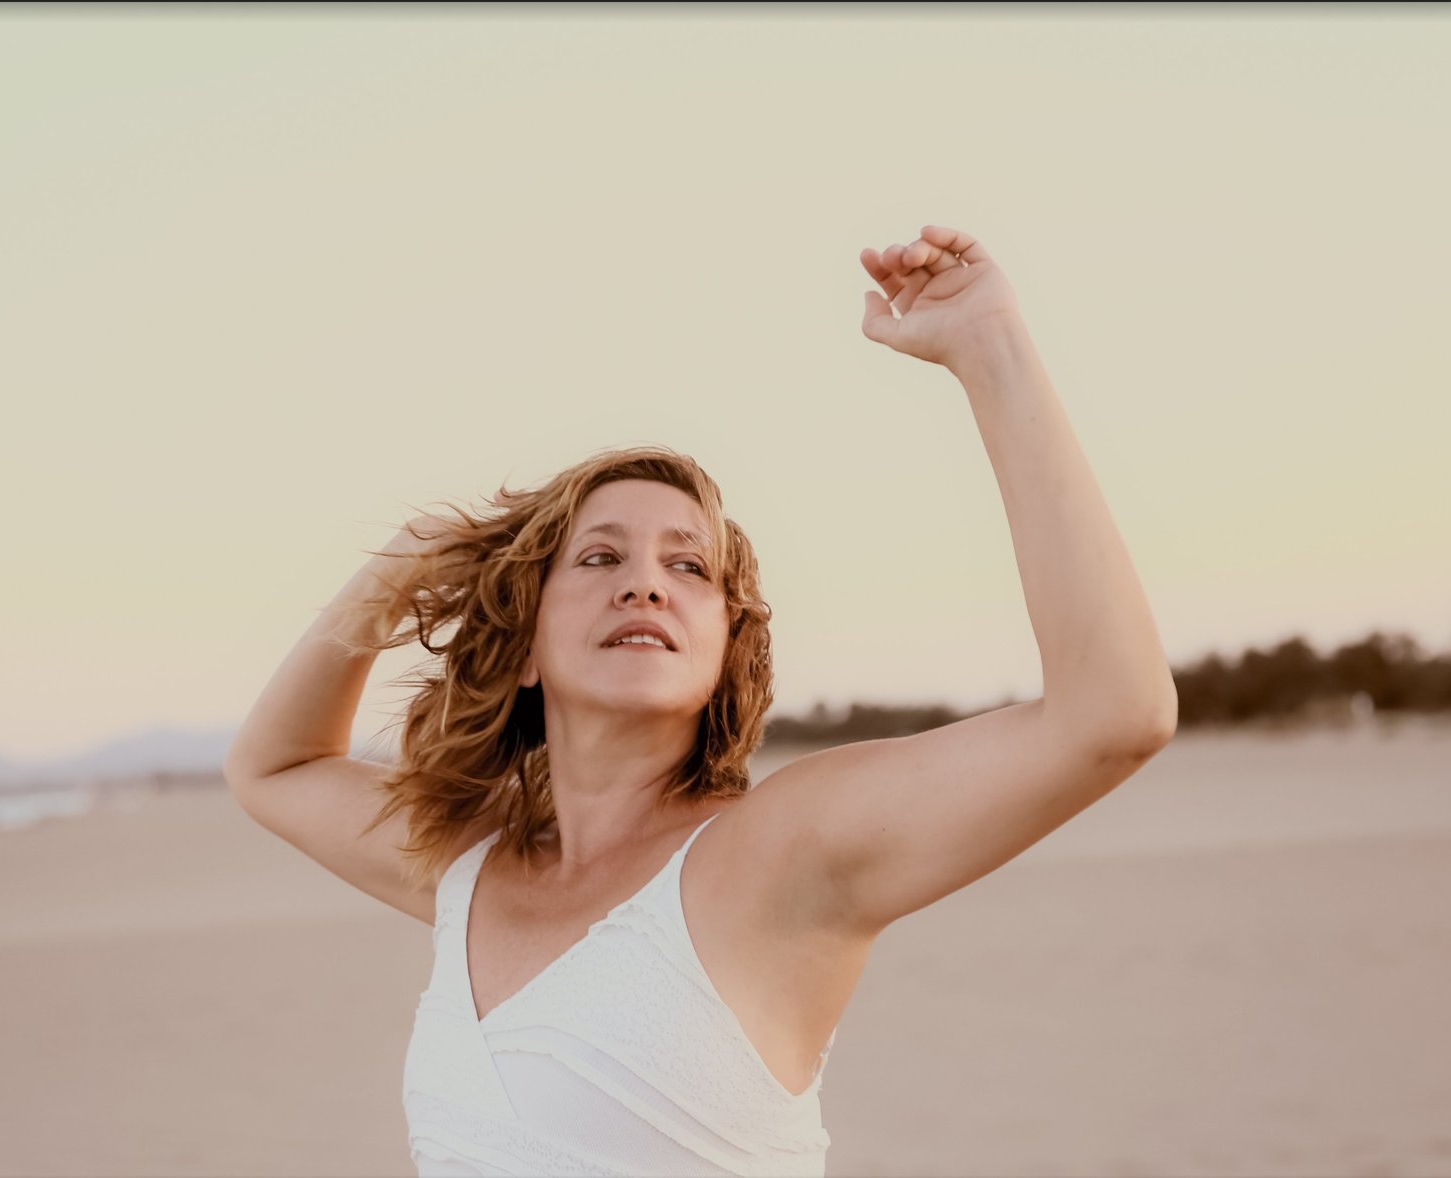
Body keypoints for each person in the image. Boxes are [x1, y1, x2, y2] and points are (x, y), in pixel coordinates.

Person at [223, 224, 1179, 1176]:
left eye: (688, 567)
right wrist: (399, 566)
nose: (645, 584)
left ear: (726, 654)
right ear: (522, 647)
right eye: (600, 557)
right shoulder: (465, 869)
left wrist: (991, 346)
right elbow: (272, 768)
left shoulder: (775, 856)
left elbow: (1113, 715)